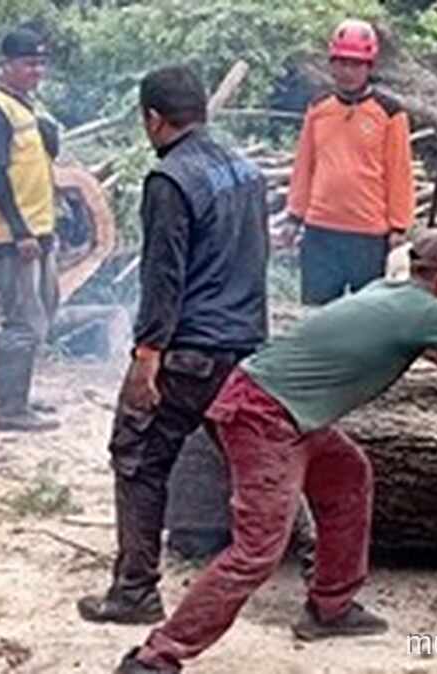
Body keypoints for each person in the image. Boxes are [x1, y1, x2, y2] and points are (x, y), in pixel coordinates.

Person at [112, 229, 437, 673]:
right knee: (257, 550)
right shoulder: (423, 310)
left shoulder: (396, 295)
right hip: (266, 416)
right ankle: (158, 655)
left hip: (275, 405)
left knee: (347, 476)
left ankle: (331, 607)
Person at [77, 65, 271, 626]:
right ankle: (327, 588)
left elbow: (163, 277)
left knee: (137, 456)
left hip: (189, 350)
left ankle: (135, 591)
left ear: (153, 119)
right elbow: (255, 261)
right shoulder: (247, 171)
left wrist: (146, 357)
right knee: (263, 461)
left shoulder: (170, 180)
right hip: (243, 346)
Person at [288, 18, 414, 304]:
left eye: (356, 64)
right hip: (321, 228)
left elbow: (399, 173)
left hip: (368, 233)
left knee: (366, 314)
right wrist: (295, 214)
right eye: (342, 63)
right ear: (331, 64)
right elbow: (305, 164)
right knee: (316, 312)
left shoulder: (389, 113)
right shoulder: (319, 108)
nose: (348, 71)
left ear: (369, 67)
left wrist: (398, 227)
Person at [0, 27, 63, 431]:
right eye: (29, 63)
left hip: (36, 231)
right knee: (23, 322)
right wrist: (20, 230)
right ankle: (11, 410)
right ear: (6, 65)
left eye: (40, 63)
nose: (36, 71)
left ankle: (7, 388)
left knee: (39, 310)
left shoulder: (22, 106)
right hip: (13, 238)